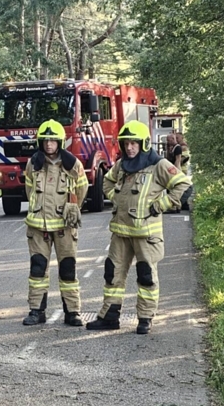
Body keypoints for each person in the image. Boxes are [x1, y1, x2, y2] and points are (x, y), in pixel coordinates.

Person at [85, 120, 191, 335]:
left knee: (146, 276)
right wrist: (116, 198)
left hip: (146, 234)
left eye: (134, 143)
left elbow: (183, 184)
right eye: (126, 144)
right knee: (112, 274)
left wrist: (162, 204)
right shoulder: (122, 165)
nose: (130, 148)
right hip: (121, 232)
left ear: (142, 144)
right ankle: (110, 316)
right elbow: (106, 181)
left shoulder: (158, 165)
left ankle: (145, 318)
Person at [21, 119, 87, 326]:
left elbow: (82, 189)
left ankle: (72, 312)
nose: (49, 144)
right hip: (38, 227)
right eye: (45, 140)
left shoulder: (73, 165)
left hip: (63, 228)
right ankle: (36, 311)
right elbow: (29, 191)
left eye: (53, 140)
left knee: (68, 268)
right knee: (38, 269)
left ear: (60, 141)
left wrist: (74, 207)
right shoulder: (33, 164)